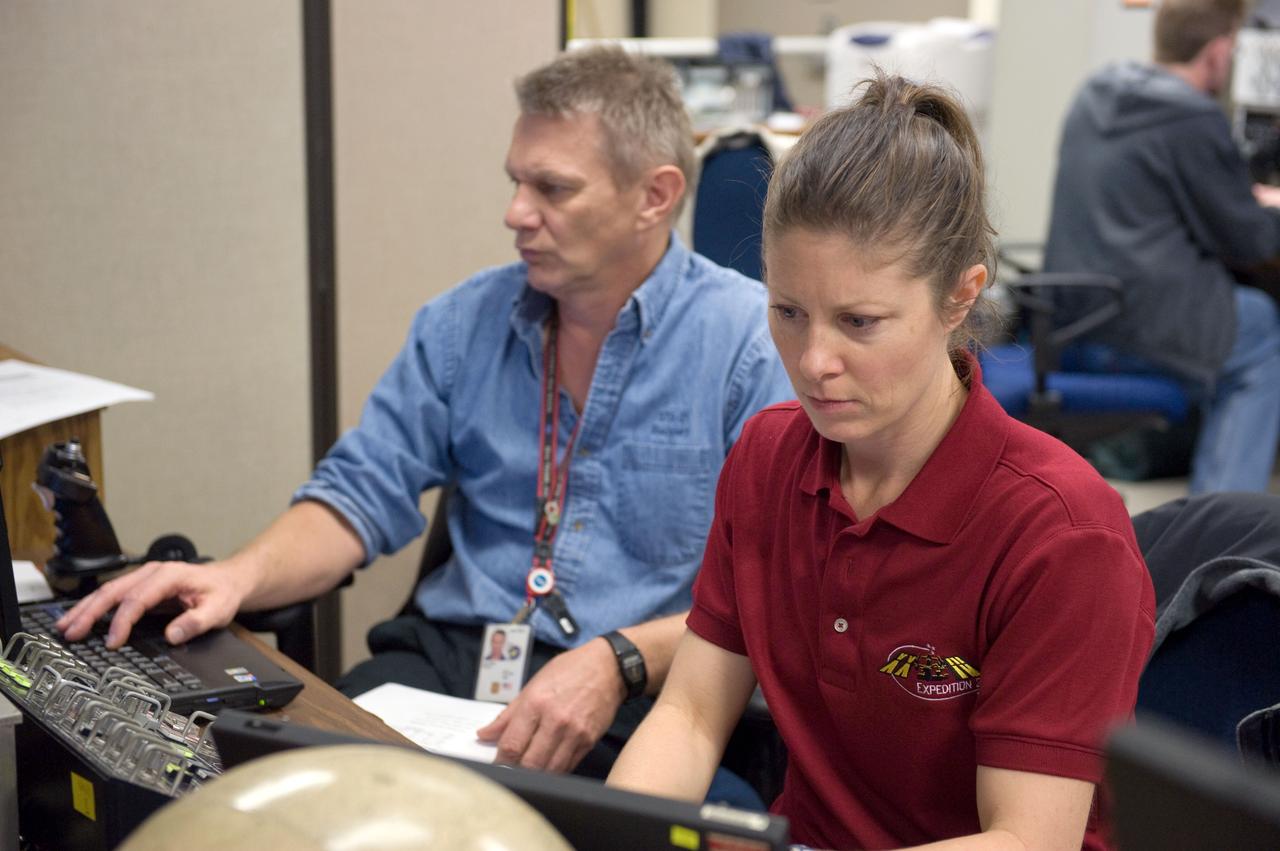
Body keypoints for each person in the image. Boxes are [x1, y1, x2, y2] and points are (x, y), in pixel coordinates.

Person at [57, 46, 793, 779]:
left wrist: (619, 659)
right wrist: (236, 576)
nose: (515, 213)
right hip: (456, 659)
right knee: (282, 784)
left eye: (552, 189)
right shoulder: (462, 323)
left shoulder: (747, 346)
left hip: (649, 685)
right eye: (515, 182)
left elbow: (775, 591)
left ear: (655, 197)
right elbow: (357, 493)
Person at [606, 74, 1156, 850]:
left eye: (859, 321)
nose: (814, 360)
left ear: (959, 298)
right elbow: (691, 715)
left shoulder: (1060, 532)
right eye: (788, 312)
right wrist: (616, 836)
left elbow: (1027, 839)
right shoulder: (768, 458)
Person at [1043, 0, 1280, 494]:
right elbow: (1251, 240)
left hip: (1070, 322)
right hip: (1144, 331)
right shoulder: (1192, 116)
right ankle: (1222, 523)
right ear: (1219, 53)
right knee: (1259, 331)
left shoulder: (1095, 91)